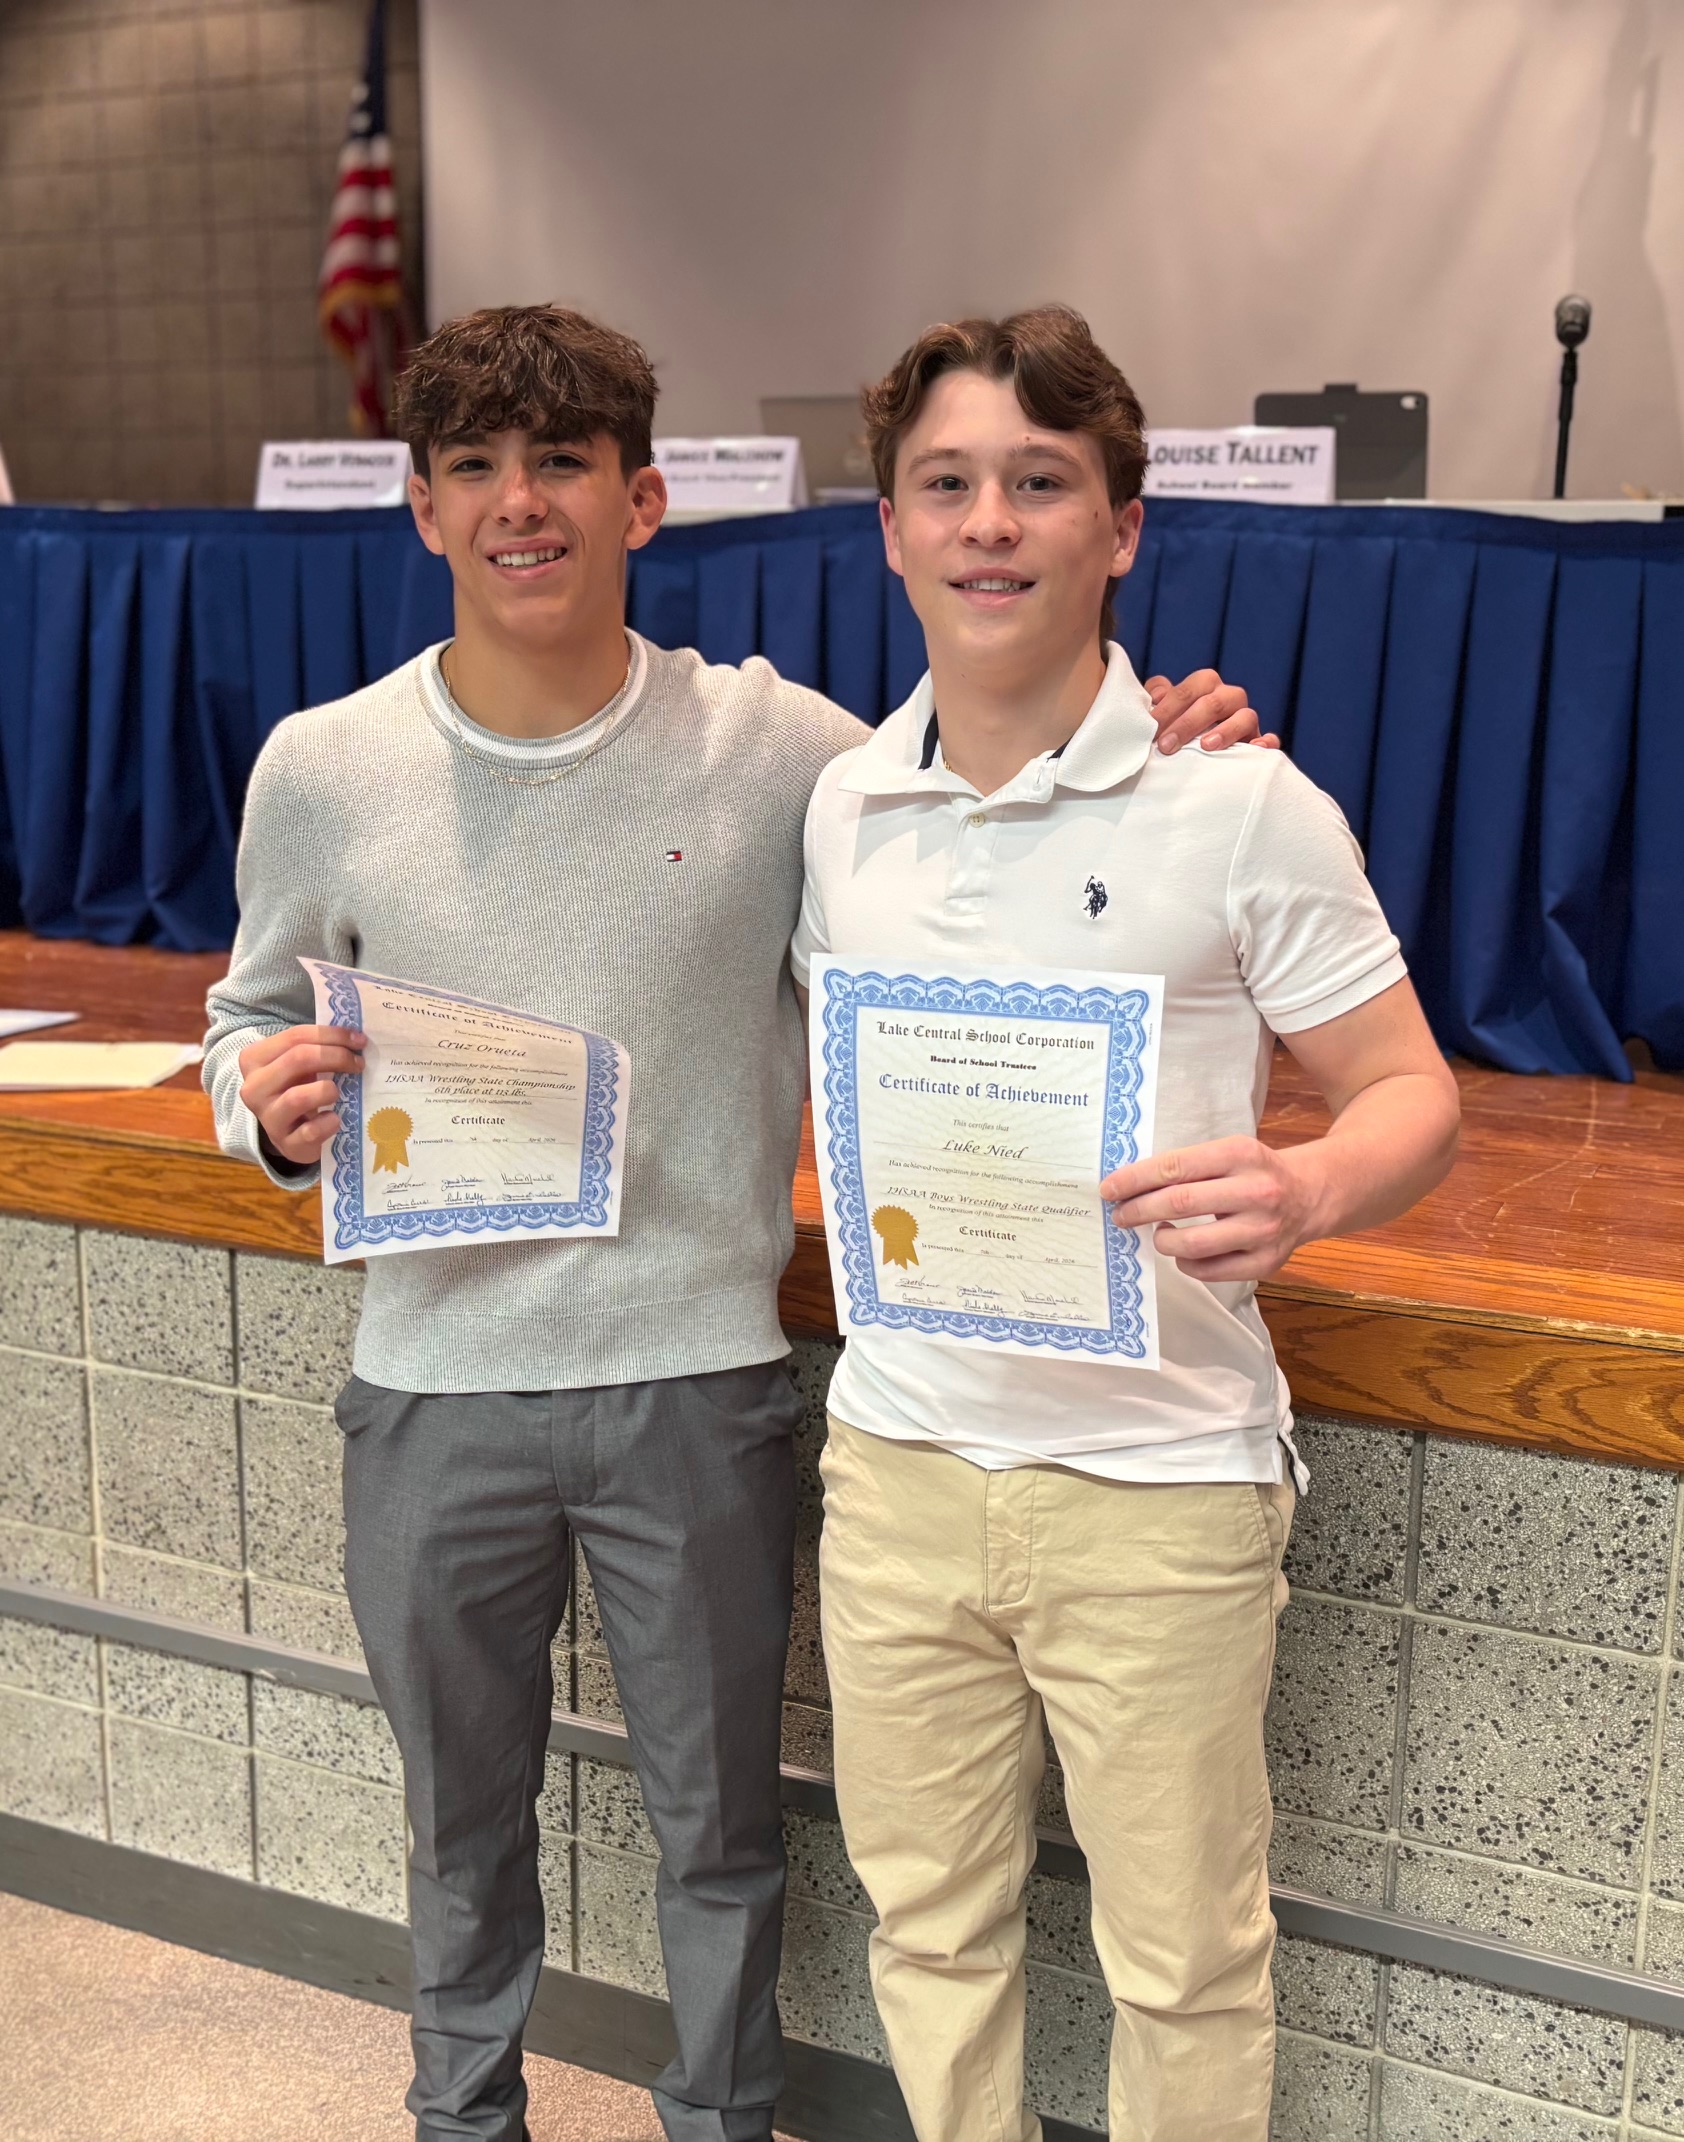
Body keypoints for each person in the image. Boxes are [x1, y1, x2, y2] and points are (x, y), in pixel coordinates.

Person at [202, 302, 1265, 2142]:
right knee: (457, 1823)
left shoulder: (787, 754)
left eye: (562, 464)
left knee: (721, 1829)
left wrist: (1167, 727)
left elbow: (989, 788)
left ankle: (722, 2121)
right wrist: (266, 1109)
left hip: (697, 1382)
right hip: (432, 1382)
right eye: (475, 469)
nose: (520, 503)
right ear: (422, 509)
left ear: (646, 498)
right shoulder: (323, 764)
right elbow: (238, 1020)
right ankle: (464, 2118)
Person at [792, 307, 1461, 2142]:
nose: (990, 520)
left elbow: (1416, 1095)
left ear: (1122, 526)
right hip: (904, 1465)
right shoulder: (840, 807)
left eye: (1039, 481)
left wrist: (1311, 1182)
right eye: (948, 483)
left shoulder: (1236, 799)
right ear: (894, 529)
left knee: (1183, 1959)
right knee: (928, 1930)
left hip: (1159, 1484)